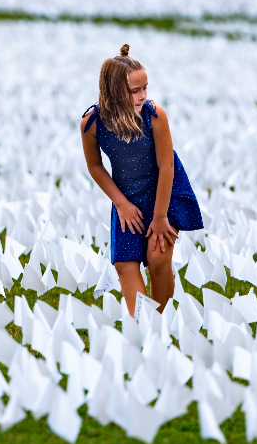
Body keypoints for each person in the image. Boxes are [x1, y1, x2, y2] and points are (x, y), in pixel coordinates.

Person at [81, 44, 204, 317]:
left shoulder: (154, 116)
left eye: (145, 88)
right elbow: (94, 166)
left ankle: (161, 321)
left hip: (165, 192)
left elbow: (166, 166)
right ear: (114, 91)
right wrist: (121, 204)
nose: (143, 96)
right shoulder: (92, 123)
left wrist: (160, 218)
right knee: (125, 265)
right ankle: (142, 327)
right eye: (135, 91)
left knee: (158, 258)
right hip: (127, 199)